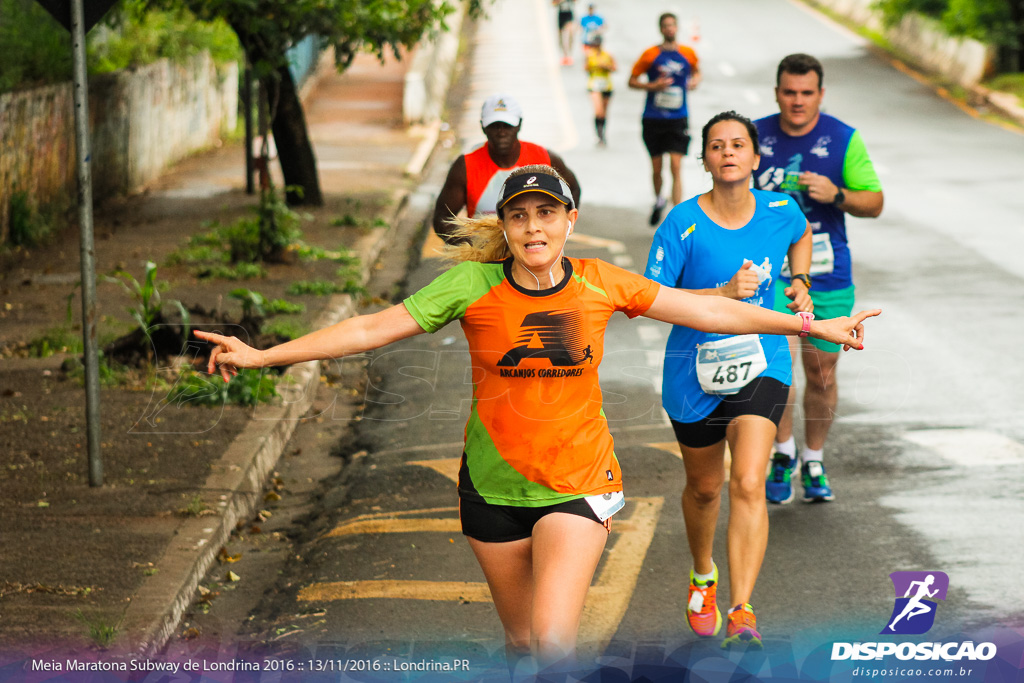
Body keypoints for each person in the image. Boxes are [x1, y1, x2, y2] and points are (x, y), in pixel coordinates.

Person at [197, 164, 877, 676]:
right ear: (507, 226)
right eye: (520, 217)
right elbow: (373, 328)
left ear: (568, 220)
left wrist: (811, 326)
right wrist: (264, 356)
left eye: (546, 214)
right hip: (490, 488)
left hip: (576, 483)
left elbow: (714, 312)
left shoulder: (599, 283)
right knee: (521, 644)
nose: (534, 229)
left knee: (553, 646)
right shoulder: (472, 287)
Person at [645, 111, 829, 650]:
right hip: (692, 373)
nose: (728, 153)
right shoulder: (681, 224)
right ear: (703, 159)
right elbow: (652, 301)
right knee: (705, 489)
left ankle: (742, 609)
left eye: (738, 144)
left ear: (754, 157)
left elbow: (801, 233)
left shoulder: (779, 209)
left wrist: (799, 280)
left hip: (763, 361)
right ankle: (703, 574)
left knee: (748, 480)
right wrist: (723, 292)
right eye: (717, 146)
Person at [753, 53, 884, 504]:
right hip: (769, 278)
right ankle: (783, 452)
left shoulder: (843, 138)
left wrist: (839, 194)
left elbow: (875, 201)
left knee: (822, 373)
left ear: (820, 95)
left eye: (806, 93)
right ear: (777, 93)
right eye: (789, 92)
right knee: (778, 370)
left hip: (828, 276)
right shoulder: (756, 137)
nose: (797, 101)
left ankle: (813, 458)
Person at [432, 93, 580, 245]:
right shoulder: (464, 166)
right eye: (494, 126)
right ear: (483, 127)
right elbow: (442, 218)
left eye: (507, 126)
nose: (501, 132)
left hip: (535, 253)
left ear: (519, 125)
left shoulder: (546, 159)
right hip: (487, 261)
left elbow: (573, 188)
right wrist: (471, 245)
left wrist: (562, 229)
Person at [629, 12, 701, 227]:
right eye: (666, 26)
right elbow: (631, 81)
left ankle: (677, 214)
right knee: (657, 167)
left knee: (677, 167)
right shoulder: (650, 55)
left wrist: (694, 82)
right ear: (661, 29)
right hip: (653, 118)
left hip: (678, 118)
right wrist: (653, 86)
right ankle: (659, 199)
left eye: (673, 25)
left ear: (677, 28)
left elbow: (697, 72)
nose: (670, 29)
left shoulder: (688, 53)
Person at [583, 35, 617, 146]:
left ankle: (603, 134)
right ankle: (599, 135)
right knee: (599, 111)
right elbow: (586, 68)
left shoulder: (608, 55)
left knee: (604, 112)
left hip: (606, 85)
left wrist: (606, 66)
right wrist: (595, 67)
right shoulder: (589, 55)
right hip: (594, 85)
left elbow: (614, 67)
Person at [553, 0, 577, 66]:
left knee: (569, 36)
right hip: (561, 16)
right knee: (561, 38)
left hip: (569, 16)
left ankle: (569, 55)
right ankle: (565, 55)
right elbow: (553, 4)